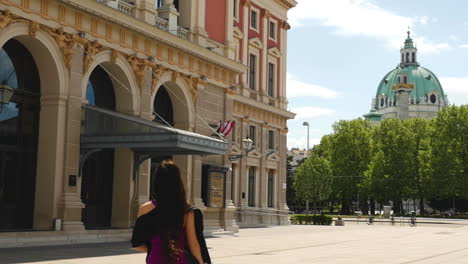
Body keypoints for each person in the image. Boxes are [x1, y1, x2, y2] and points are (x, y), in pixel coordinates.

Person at [131, 161, 211, 264]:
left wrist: (155, 249)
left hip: (155, 259)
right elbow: (194, 244)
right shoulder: (187, 210)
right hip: (179, 260)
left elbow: (137, 243)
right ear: (178, 182)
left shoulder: (145, 209)